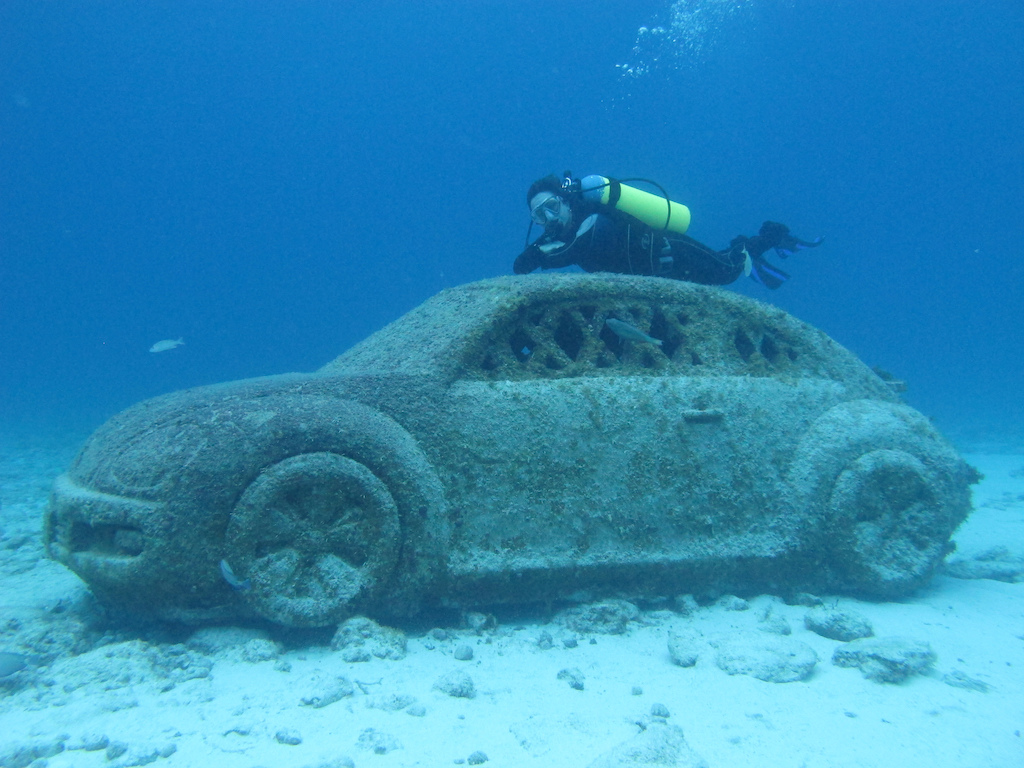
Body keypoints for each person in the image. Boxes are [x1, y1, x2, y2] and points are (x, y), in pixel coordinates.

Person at [514, 172, 822, 289]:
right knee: (723, 267)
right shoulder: (557, 237)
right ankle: (755, 245)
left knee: (727, 270)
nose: (549, 217)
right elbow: (545, 252)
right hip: (653, 277)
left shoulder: (592, 217)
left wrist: (535, 257)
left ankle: (767, 238)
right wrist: (532, 254)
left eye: (552, 206)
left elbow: (574, 249)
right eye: (539, 214)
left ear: (567, 201)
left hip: (673, 254)